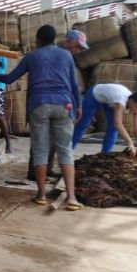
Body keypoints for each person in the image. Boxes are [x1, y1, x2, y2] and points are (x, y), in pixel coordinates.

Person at [0, 25, 82, 210]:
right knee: (66, 151)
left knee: (40, 151)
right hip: (63, 104)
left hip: (39, 105)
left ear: (38, 40)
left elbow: (10, 78)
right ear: (54, 39)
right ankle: (72, 198)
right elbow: (74, 84)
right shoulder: (66, 55)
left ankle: (41, 195)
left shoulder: (32, 56)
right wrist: (78, 105)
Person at [26, 29, 88, 180]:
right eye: (77, 46)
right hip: (46, 101)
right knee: (41, 142)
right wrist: (77, 105)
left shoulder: (65, 56)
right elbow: (74, 85)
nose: (78, 50)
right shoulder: (59, 55)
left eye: (80, 48)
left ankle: (47, 169)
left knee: (52, 139)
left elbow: (73, 85)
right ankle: (35, 172)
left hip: (52, 103)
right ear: (68, 41)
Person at [73, 84, 137, 157]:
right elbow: (118, 124)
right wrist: (130, 142)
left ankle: (104, 155)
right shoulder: (120, 101)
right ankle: (68, 150)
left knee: (113, 128)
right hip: (94, 95)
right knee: (83, 123)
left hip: (109, 101)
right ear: (131, 100)